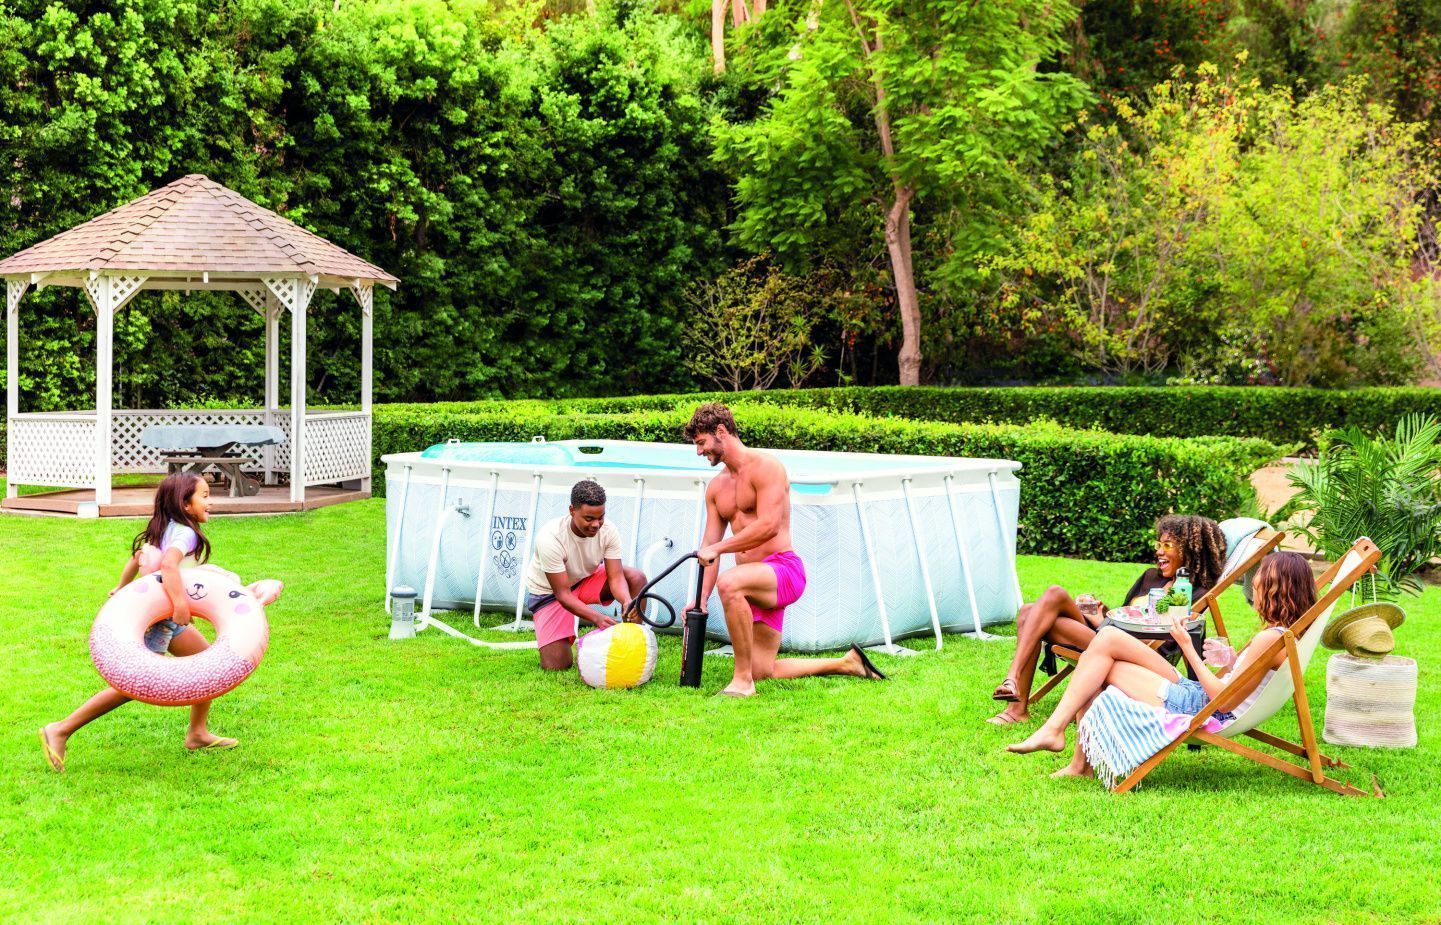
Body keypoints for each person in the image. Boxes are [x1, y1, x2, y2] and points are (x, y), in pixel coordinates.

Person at [1007, 551, 1316, 777]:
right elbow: (1243, 683)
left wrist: (1188, 648)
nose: (1253, 592)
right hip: (1198, 696)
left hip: (1201, 706)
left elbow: (1223, 701)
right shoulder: (1284, 636)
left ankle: (1065, 745)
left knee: (1098, 664)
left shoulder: (1269, 639)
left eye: (1258, 586)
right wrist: (1234, 661)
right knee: (1108, 639)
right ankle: (1061, 739)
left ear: (1275, 590)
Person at [39, 473, 263, 771]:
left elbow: (139, 556)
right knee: (135, 684)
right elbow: (168, 565)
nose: (210, 502)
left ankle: (197, 733)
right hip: (162, 619)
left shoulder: (167, 527)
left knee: (206, 666)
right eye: (205, 496)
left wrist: (121, 587)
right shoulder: (186, 533)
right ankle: (61, 729)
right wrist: (181, 605)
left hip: (166, 616)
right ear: (185, 504)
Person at [685, 403, 887, 697]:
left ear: (721, 431)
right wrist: (701, 599)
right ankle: (848, 663)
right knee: (763, 670)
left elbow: (768, 525)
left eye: (702, 442)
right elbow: (708, 548)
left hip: (783, 570)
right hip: (751, 584)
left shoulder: (767, 468)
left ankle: (742, 682)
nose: (699, 451)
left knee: (729, 583)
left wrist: (719, 548)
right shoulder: (716, 488)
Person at [989, 514, 1226, 725]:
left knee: (1042, 604)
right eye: (1158, 544)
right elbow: (1124, 616)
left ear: (1190, 550)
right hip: (1107, 639)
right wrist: (1099, 614)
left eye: (1167, 545)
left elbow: (1180, 639)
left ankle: (1014, 696)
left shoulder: (1194, 593)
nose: (1159, 551)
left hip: (1138, 655)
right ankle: (1014, 697)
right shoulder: (1150, 577)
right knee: (1031, 609)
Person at [523, 479, 647, 671]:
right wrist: (597, 618)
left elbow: (616, 577)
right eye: (589, 519)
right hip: (551, 594)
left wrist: (626, 601)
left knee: (636, 578)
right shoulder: (550, 538)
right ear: (572, 511)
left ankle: (632, 645)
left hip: (586, 579)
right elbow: (563, 594)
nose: (596, 524)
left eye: (601, 517)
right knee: (557, 665)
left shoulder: (608, 531)